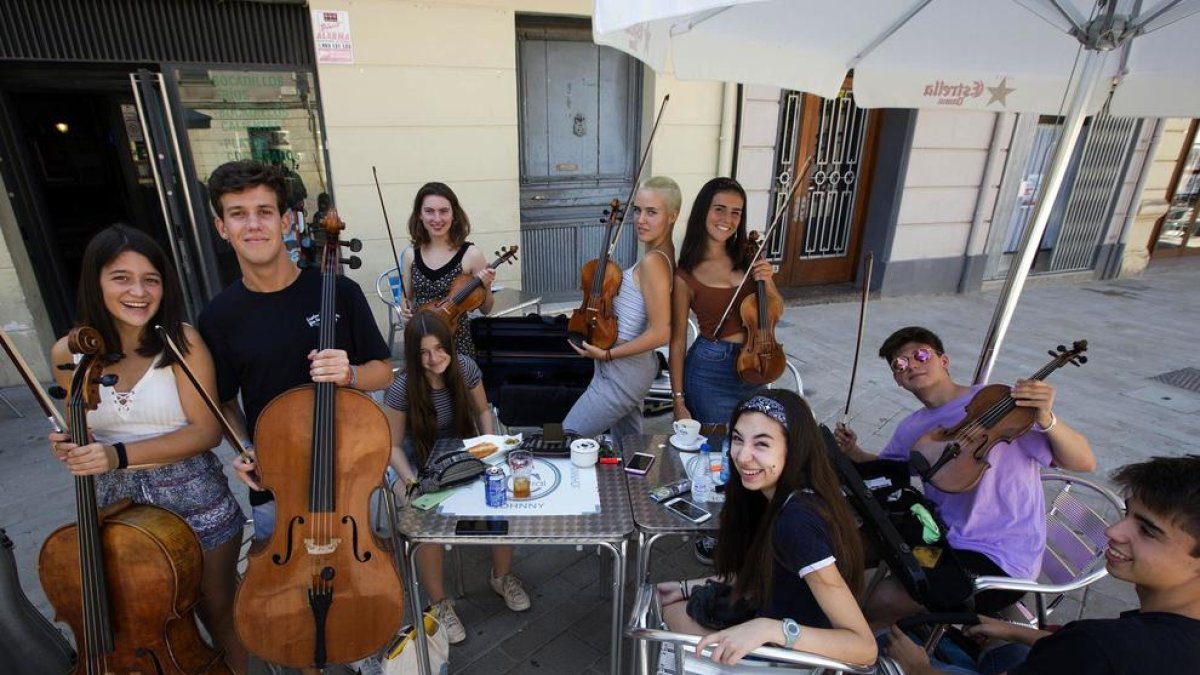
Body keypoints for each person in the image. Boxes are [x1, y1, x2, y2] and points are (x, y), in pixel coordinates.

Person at [48, 225, 248, 673]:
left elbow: (206, 432)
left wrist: (115, 454)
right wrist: (69, 443)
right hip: (116, 506)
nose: (138, 291)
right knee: (138, 620)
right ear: (95, 282)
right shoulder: (69, 352)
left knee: (217, 613)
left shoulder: (181, 341)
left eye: (150, 279)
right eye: (121, 277)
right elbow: (80, 427)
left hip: (195, 503)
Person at [834, 326, 1096, 626]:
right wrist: (854, 451)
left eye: (920, 355)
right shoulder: (912, 427)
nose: (912, 365)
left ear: (944, 360)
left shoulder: (1001, 406)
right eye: (900, 364)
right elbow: (890, 468)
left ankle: (864, 656)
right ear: (898, 380)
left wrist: (1046, 418)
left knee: (884, 599)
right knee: (844, 548)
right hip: (939, 536)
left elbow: (1084, 462)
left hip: (1000, 558)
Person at [196, 160, 393, 545]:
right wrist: (245, 447)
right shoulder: (218, 317)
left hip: (350, 472)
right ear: (222, 228)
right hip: (275, 485)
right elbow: (223, 402)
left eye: (264, 212)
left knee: (363, 583)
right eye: (238, 214)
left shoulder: (341, 292)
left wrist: (351, 374)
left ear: (286, 222)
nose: (253, 225)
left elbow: (383, 372)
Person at [884, 454, 1200, 675]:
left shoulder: (1105, 645)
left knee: (888, 641)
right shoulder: (1137, 641)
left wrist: (918, 669)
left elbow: (1088, 654)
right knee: (996, 645)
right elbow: (1079, 655)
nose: (1113, 531)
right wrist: (1013, 631)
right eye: (1128, 513)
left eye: (1147, 530)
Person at [655, 390, 876, 667]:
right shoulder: (784, 494)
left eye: (762, 444)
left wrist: (768, 629)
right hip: (773, 618)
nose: (743, 456)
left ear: (793, 447)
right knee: (664, 601)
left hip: (790, 656)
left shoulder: (797, 524)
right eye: (737, 439)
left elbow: (864, 648)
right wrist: (685, 586)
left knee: (667, 615)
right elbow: (766, 574)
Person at [383, 312, 530, 644]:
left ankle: (501, 576)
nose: (433, 359)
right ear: (411, 354)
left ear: (449, 345)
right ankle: (439, 604)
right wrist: (410, 482)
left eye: (438, 349)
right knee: (424, 519)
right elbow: (391, 446)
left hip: (460, 452)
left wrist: (489, 447)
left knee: (498, 499)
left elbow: (482, 411)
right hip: (413, 461)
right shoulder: (402, 387)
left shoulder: (464, 367)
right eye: (423, 352)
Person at [669, 177, 782, 565]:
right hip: (710, 368)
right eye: (720, 209)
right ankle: (712, 530)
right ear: (704, 211)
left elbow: (774, 312)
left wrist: (768, 281)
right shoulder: (686, 272)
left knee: (756, 452)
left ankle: (749, 527)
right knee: (719, 455)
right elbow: (678, 342)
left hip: (755, 364)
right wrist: (678, 400)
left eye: (736, 212)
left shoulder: (749, 259)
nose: (728, 219)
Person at [562, 175, 679, 439]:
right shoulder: (661, 254)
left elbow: (662, 332)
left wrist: (607, 356)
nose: (640, 219)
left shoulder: (653, 263)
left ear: (672, 216)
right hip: (629, 368)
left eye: (652, 212)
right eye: (637, 210)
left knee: (567, 437)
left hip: (623, 370)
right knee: (627, 447)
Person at [399, 182, 496, 357]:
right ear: (420, 215)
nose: (437, 219)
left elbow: (486, 309)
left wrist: (487, 286)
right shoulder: (410, 255)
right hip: (421, 341)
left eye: (444, 211)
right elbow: (406, 297)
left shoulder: (471, 254)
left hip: (457, 343)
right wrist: (404, 313)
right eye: (429, 211)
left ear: (454, 215)